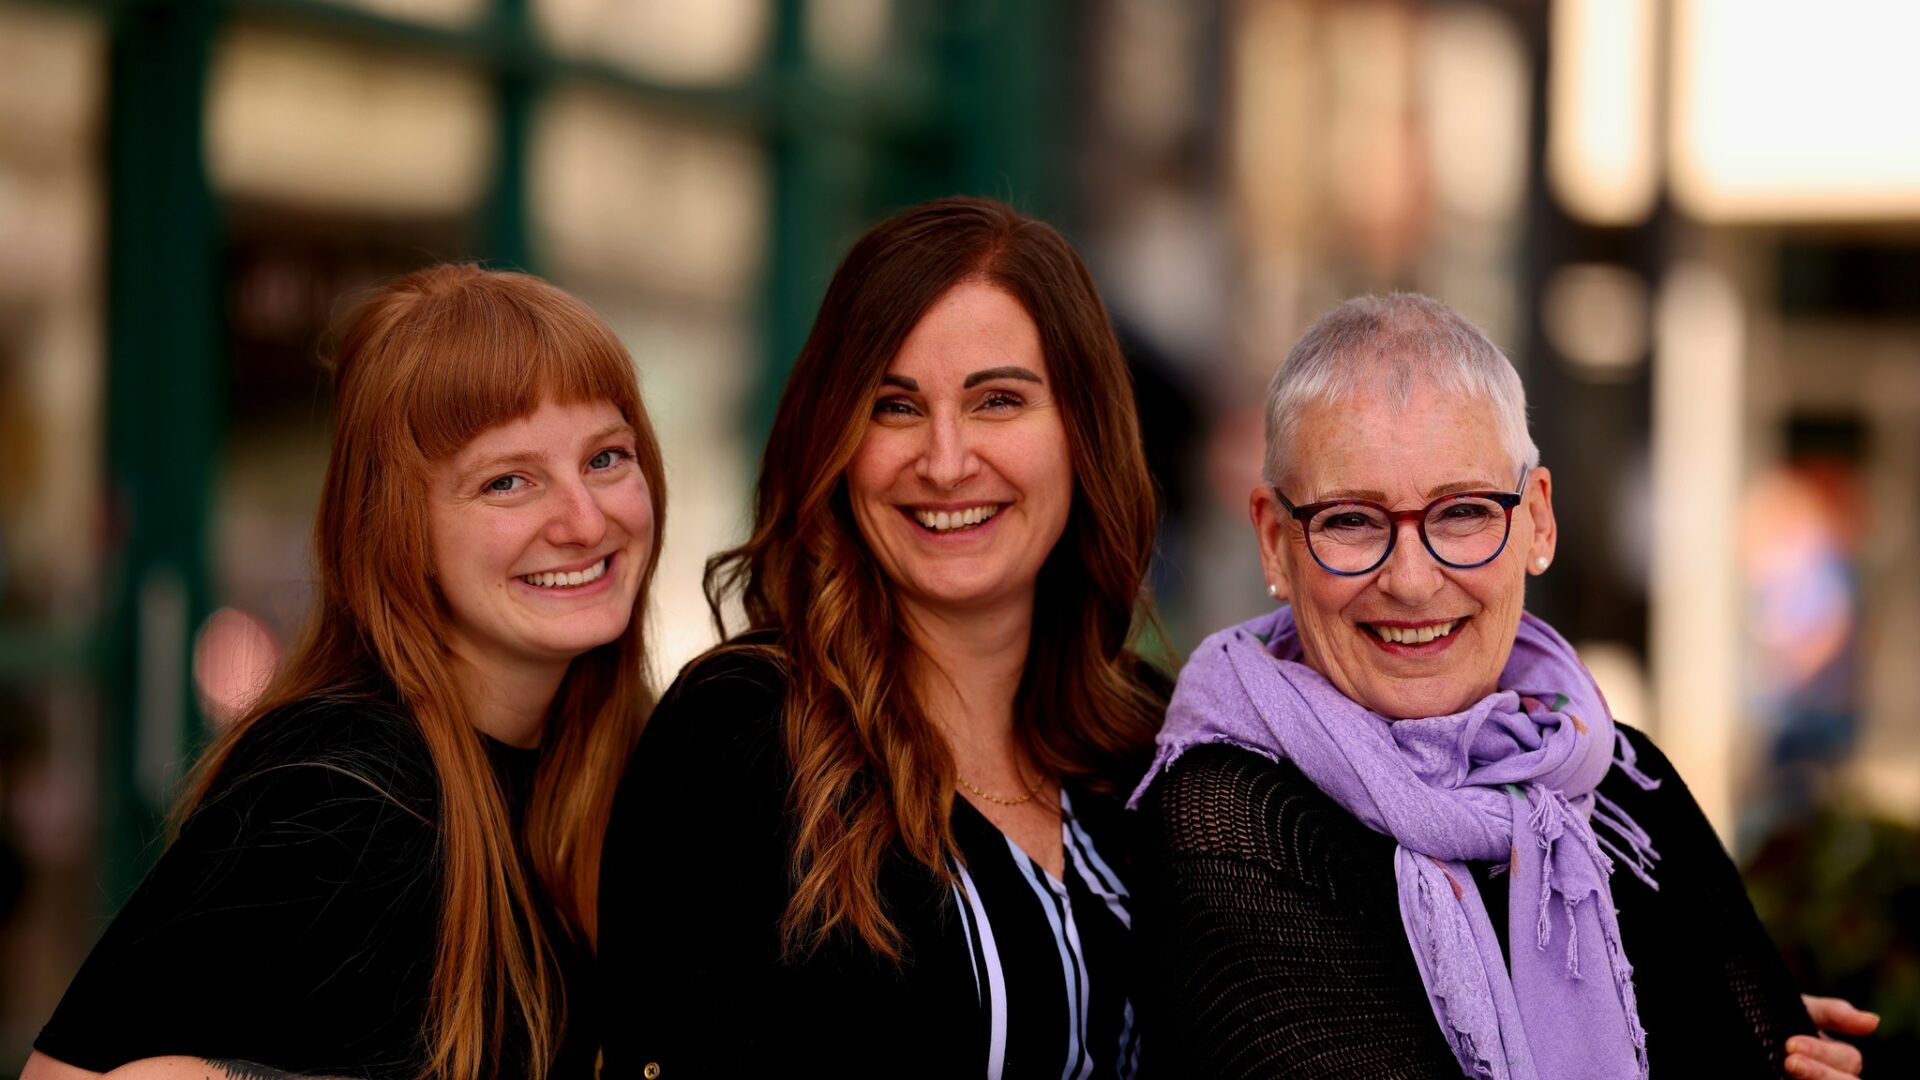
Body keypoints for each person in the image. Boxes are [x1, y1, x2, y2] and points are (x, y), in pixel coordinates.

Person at [1129, 293, 1874, 1079]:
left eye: (1462, 512)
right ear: (1275, 542)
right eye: (1350, 520)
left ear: (1539, 522)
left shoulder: (1620, 780)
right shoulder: (1232, 817)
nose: (1412, 581)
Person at [24, 265, 667, 1080]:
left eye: (607, 458)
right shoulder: (346, 787)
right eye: (508, 481)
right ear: (397, 528)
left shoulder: (616, 752)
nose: (584, 519)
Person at [596, 196, 1167, 1078]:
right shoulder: (745, 736)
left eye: (998, 401)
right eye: (895, 407)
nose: (945, 461)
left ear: (1082, 431)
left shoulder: (1145, 743)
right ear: (835, 438)